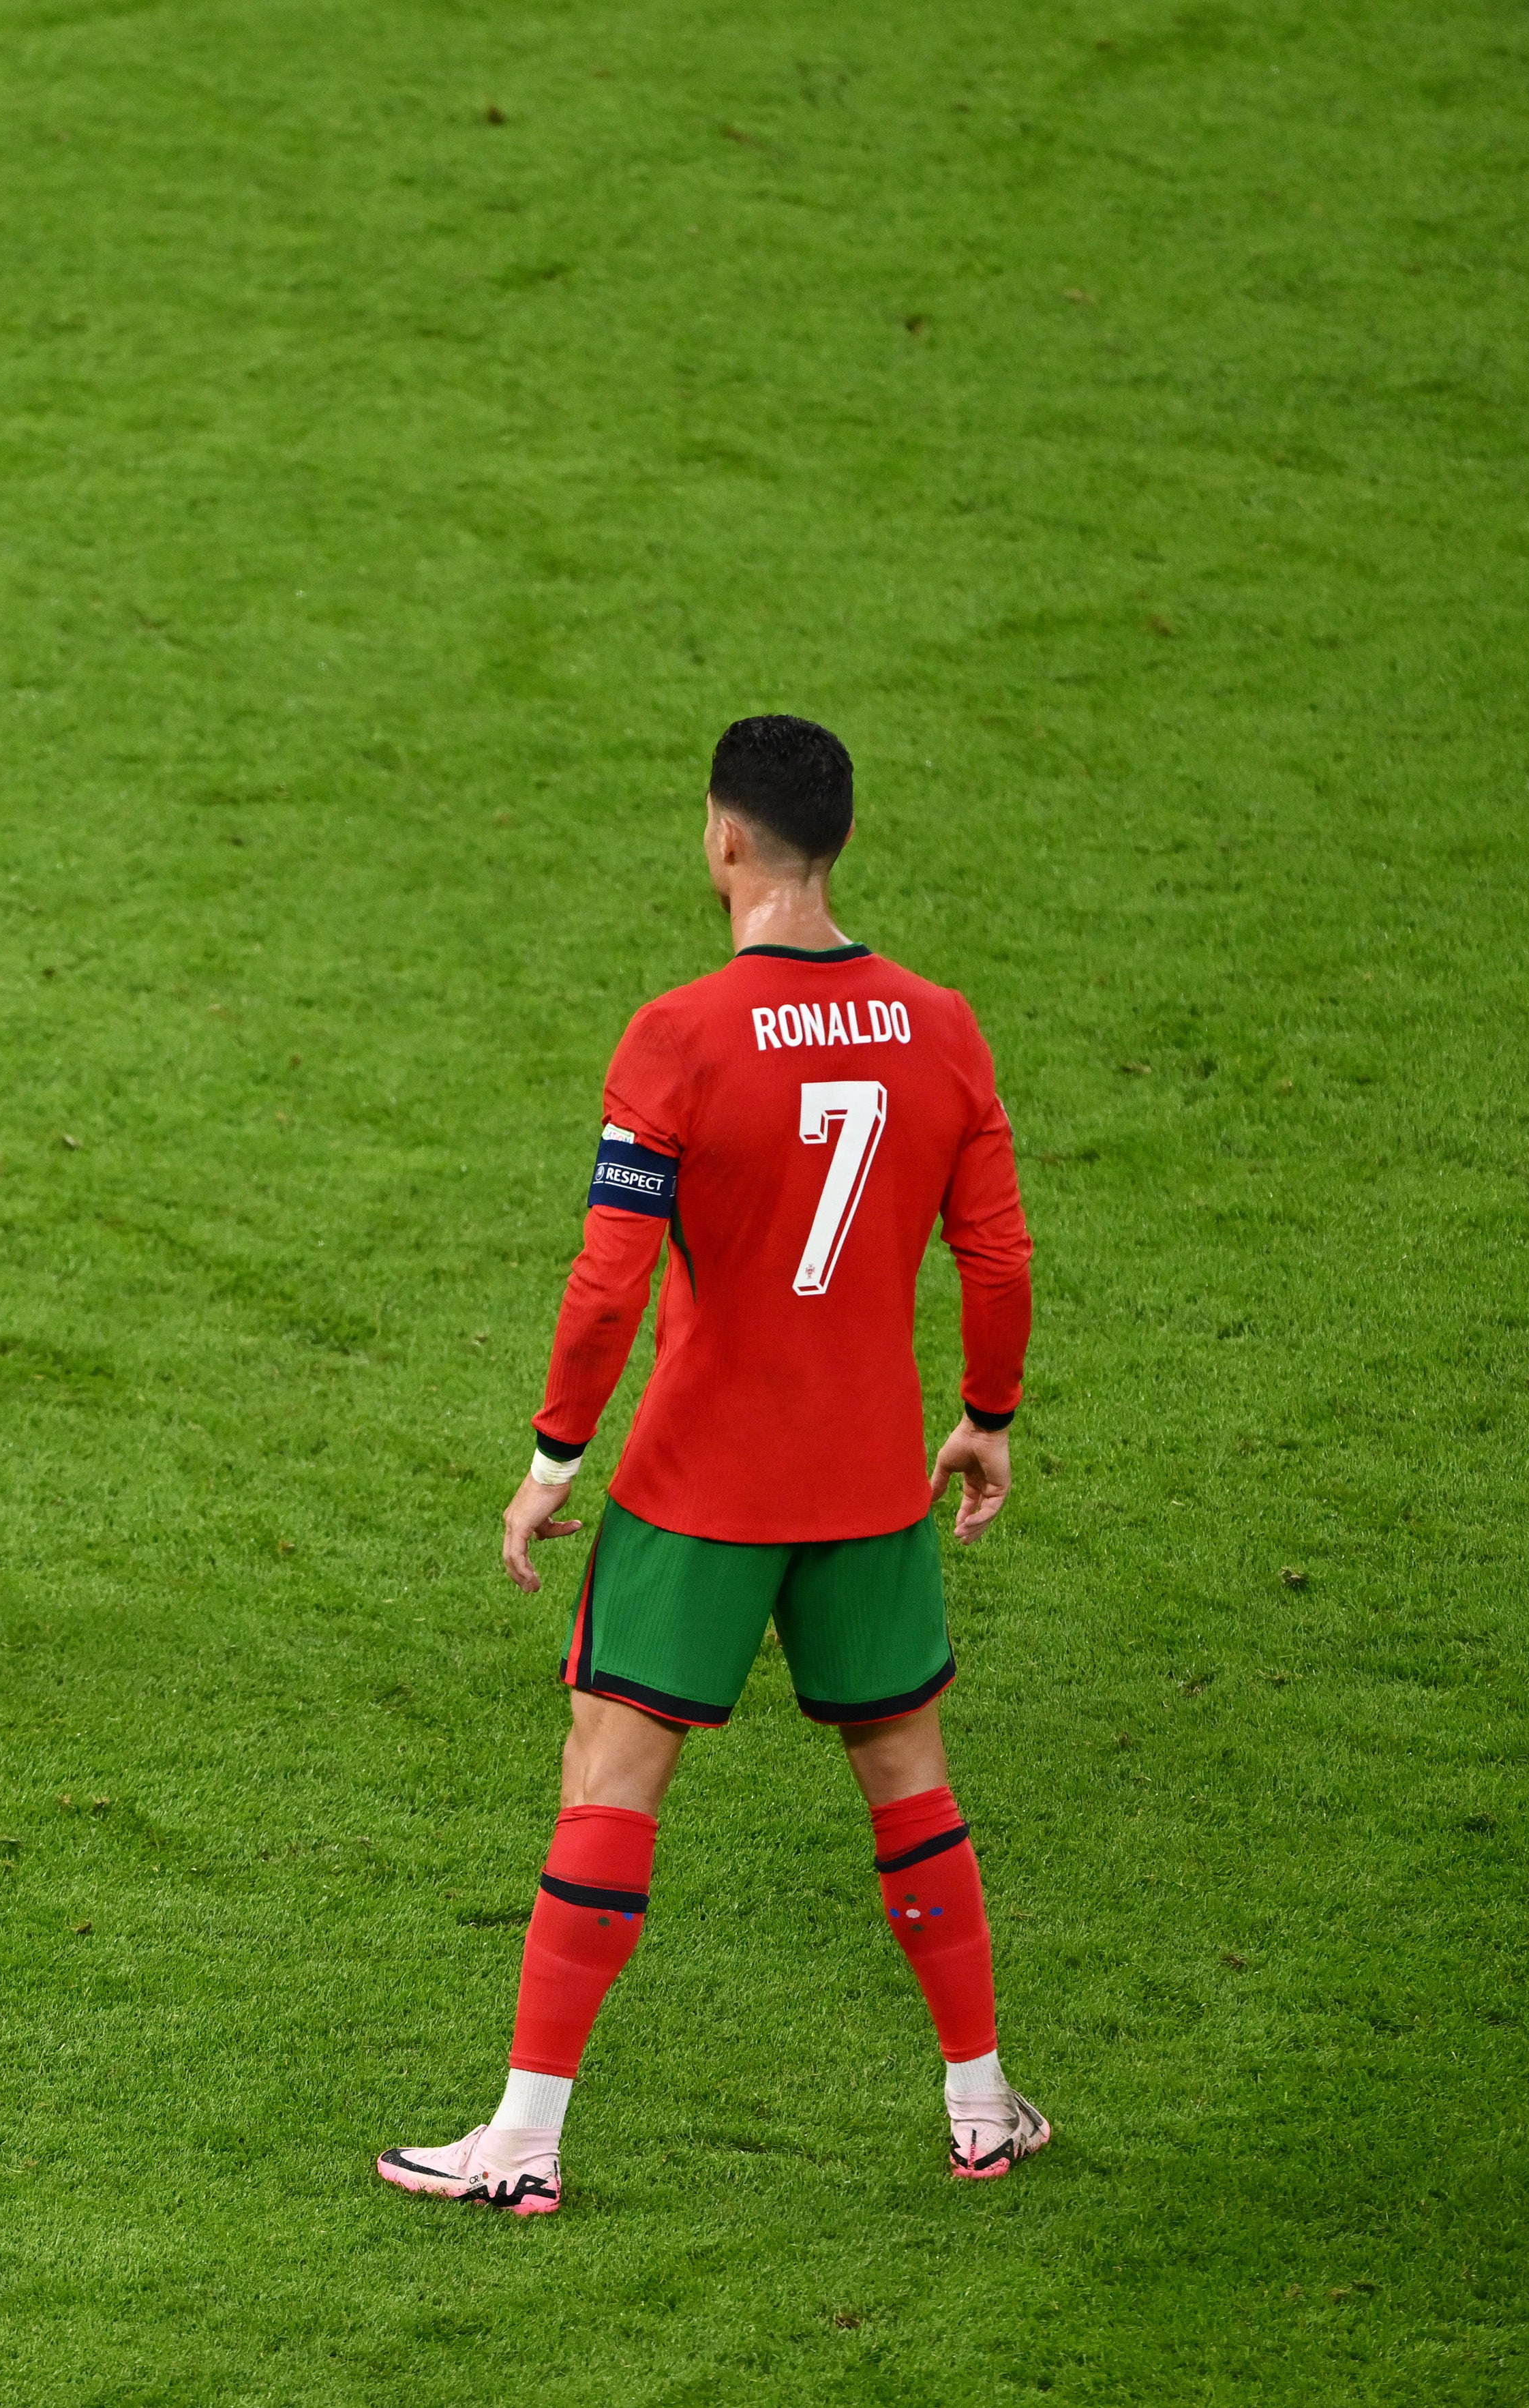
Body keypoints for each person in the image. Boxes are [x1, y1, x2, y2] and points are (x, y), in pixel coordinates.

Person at [379, 713, 1043, 2212]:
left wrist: (556, 1452)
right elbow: (994, 1251)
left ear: (722, 837)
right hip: (872, 1484)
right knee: (909, 1779)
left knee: (611, 1778)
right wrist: (986, 1413)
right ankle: (983, 2104)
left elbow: (610, 1279)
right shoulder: (943, 1024)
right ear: (840, 840)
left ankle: (526, 2141)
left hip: (701, 1486)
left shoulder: (679, 1034)